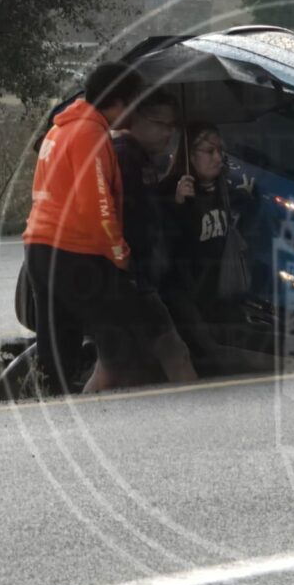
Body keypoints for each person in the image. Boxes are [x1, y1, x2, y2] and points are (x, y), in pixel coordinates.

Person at [22, 62, 158, 395]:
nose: (138, 113)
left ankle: (47, 402)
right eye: (135, 103)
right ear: (119, 101)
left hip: (40, 247)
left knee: (57, 345)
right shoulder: (89, 134)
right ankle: (119, 410)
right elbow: (96, 206)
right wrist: (120, 254)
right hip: (73, 252)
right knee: (121, 348)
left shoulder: (61, 129)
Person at [160, 123, 269, 373]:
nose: (217, 158)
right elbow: (167, 244)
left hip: (217, 292)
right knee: (208, 355)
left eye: (221, 150)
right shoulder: (171, 191)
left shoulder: (222, 189)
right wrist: (178, 205)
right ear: (190, 154)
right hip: (185, 296)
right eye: (209, 151)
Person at [109, 89, 199, 382]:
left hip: (139, 277)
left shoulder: (142, 159)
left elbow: (148, 211)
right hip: (131, 277)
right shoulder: (124, 157)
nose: (169, 133)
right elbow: (125, 219)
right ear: (137, 119)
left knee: (117, 365)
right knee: (175, 354)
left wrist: (174, 201)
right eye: (163, 124)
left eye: (172, 126)